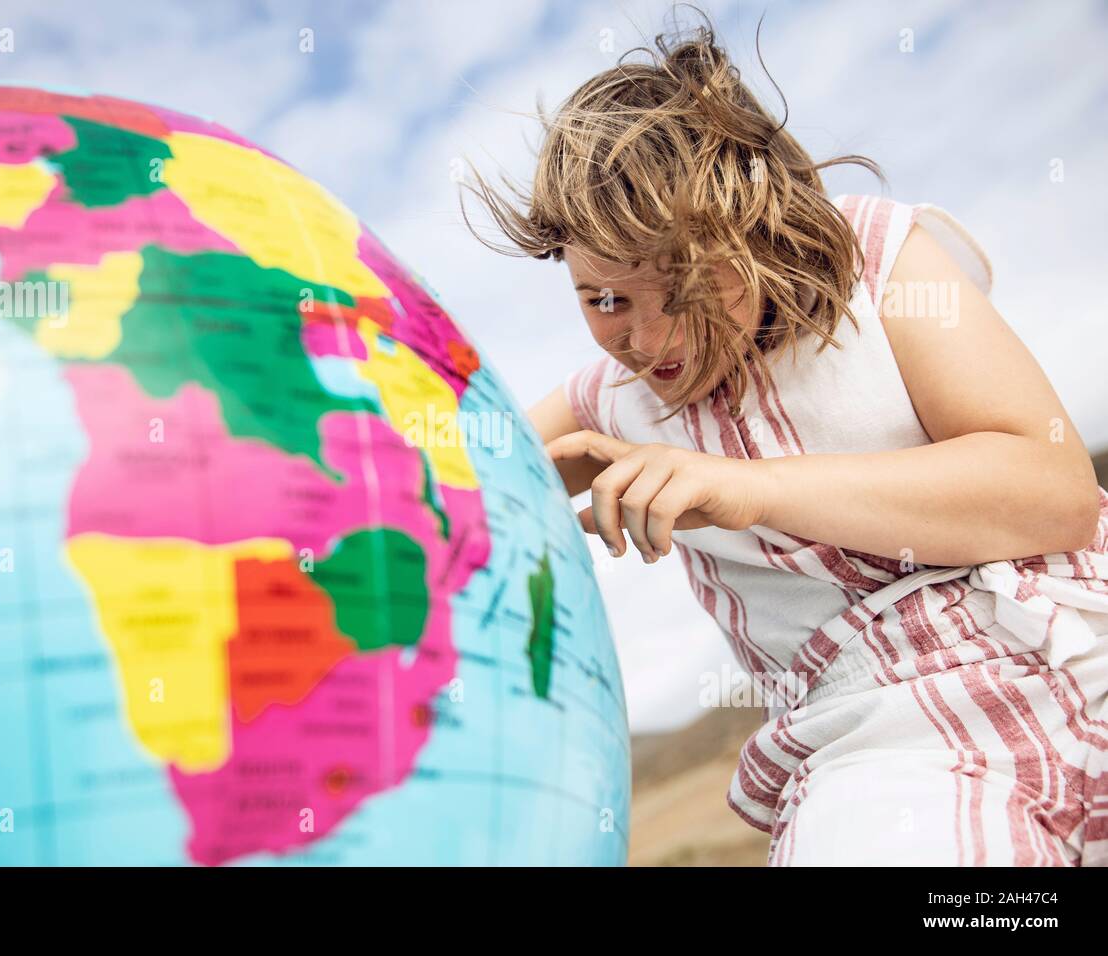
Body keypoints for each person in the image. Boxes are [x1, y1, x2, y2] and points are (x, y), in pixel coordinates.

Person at [463, 15, 1108, 865]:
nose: (647, 340)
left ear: (754, 223)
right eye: (603, 300)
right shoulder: (603, 403)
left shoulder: (878, 260)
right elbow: (442, 462)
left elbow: (1054, 497)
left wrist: (750, 488)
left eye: (682, 283)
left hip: (1075, 641)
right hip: (883, 748)